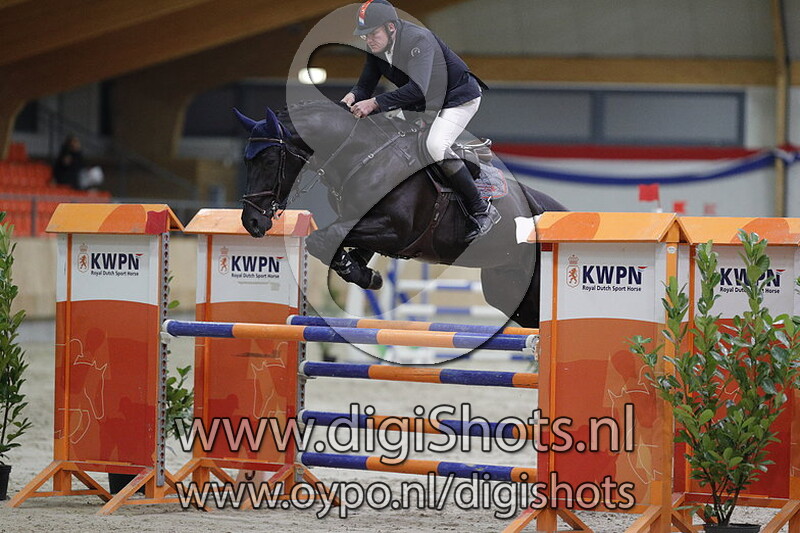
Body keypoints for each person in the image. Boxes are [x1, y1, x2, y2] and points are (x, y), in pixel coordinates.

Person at [342, 0, 500, 242]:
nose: (369, 40)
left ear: (391, 27)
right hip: (424, 104)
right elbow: (365, 85)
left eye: (373, 33)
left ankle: (481, 209)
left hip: (457, 98)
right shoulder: (377, 48)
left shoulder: (418, 40)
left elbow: (417, 89)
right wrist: (351, 98)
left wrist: (373, 103)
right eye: (365, 35)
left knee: (435, 146)